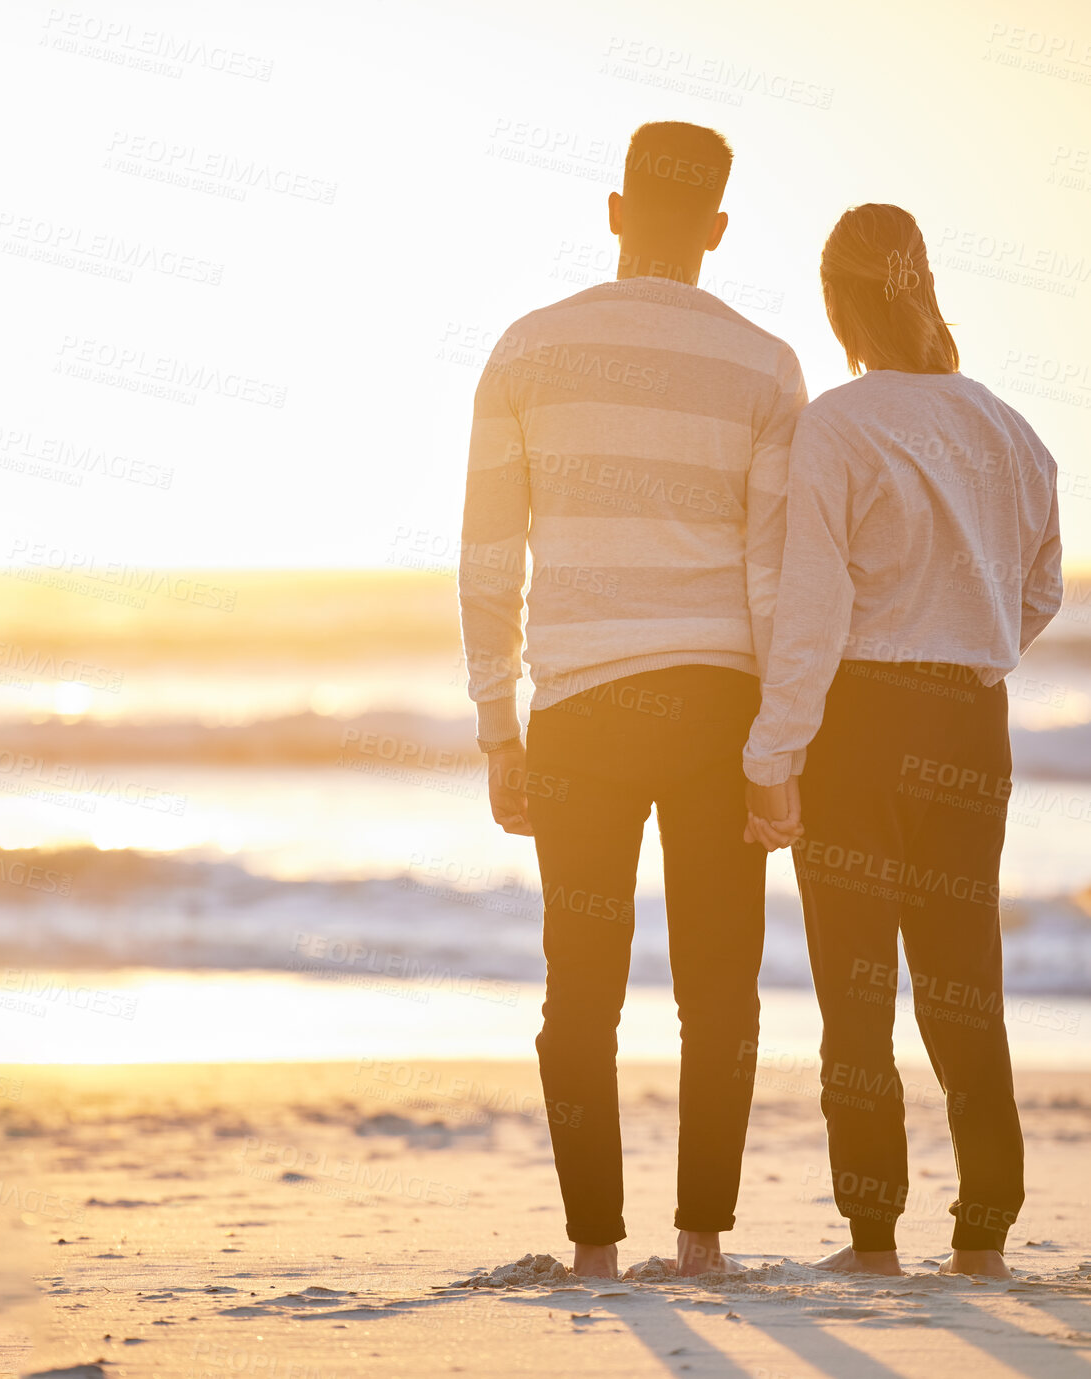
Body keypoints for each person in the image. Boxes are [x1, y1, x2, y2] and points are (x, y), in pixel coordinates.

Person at [458, 121, 806, 1279]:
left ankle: (595, 1246)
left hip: (580, 709)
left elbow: (487, 561)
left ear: (615, 211)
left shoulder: (524, 349)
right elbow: (772, 573)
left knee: (581, 990)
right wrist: (774, 746)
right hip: (715, 704)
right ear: (715, 227)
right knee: (719, 990)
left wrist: (496, 726)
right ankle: (701, 1238)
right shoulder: (764, 364)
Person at [742, 203, 1062, 1280]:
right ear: (922, 287)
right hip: (974, 723)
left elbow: (811, 612)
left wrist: (770, 754)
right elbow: (1041, 589)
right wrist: (966, 647)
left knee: (858, 986)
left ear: (837, 303)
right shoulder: (1007, 428)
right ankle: (983, 1235)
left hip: (861, 723)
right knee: (964, 978)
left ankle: (871, 1238)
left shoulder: (835, 425)